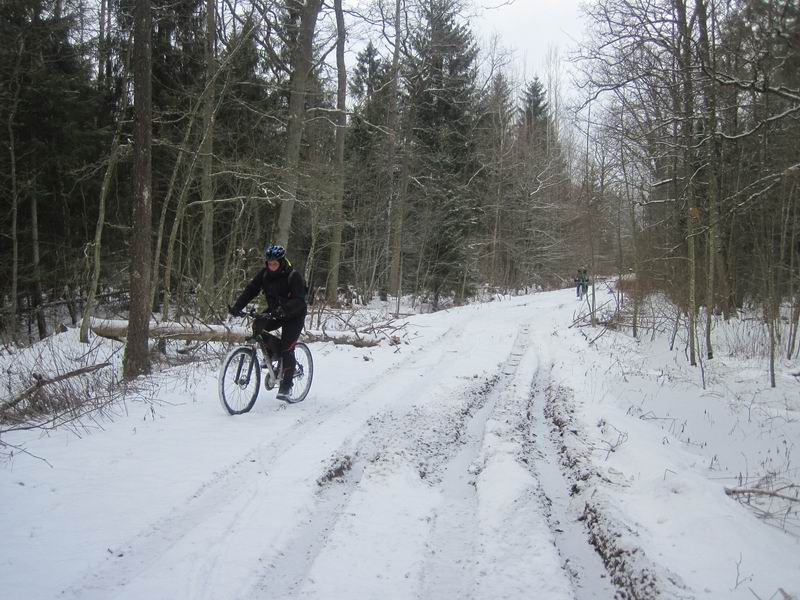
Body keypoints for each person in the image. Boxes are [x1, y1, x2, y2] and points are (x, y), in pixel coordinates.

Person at [229, 244, 307, 401]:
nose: (272, 267)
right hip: (275, 311)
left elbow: (299, 300)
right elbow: (251, 290)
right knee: (257, 325)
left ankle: (286, 385)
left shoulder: (293, 276)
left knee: (287, 348)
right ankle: (272, 353)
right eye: (269, 264)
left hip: (294, 314)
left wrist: (284, 310)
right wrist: (237, 307)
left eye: (275, 264)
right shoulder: (264, 275)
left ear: (282, 262)